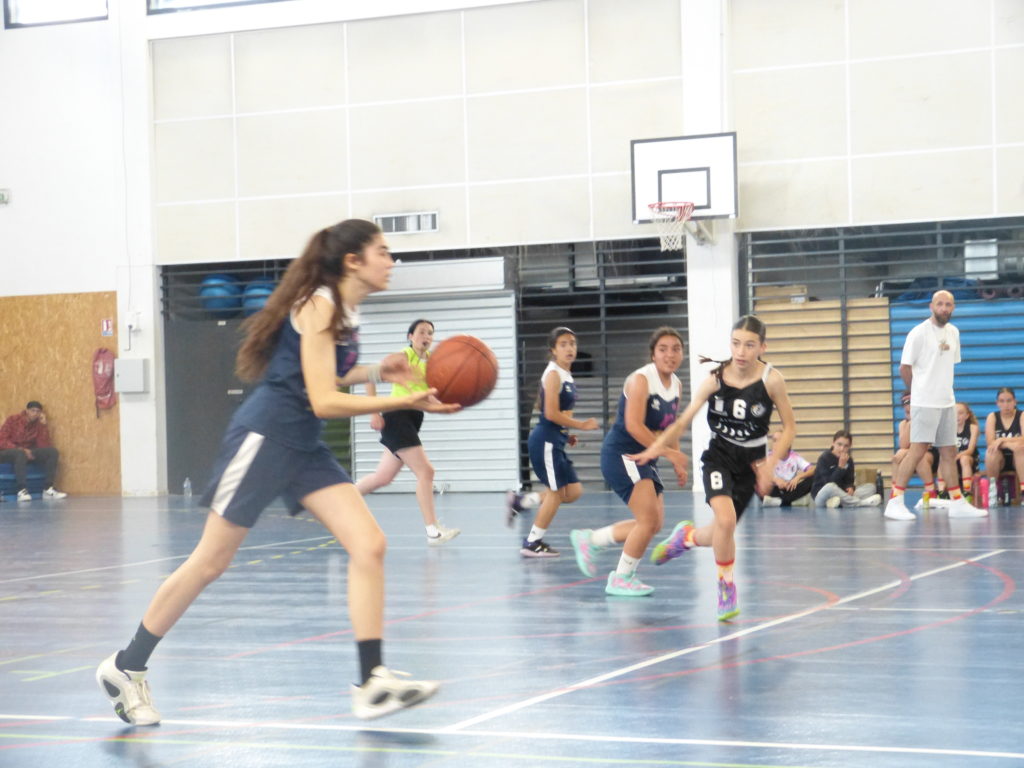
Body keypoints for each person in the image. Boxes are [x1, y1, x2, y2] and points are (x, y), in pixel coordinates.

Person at [95, 220, 459, 726]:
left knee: (369, 544)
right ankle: (125, 666)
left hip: (303, 445)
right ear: (353, 260)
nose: (390, 261)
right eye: (382, 251)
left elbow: (325, 373)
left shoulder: (343, 311)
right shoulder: (320, 304)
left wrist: (379, 371)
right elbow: (324, 398)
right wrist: (402, 399)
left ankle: (372, 681)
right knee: (210, 562)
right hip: (265, 438)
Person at [631, 315, 797, 621]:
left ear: (762, 347)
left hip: (751, 462)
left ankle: (686, 538)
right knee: (726, 519)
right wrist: (656, 447)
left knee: (723, 529)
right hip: (719, 456)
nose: (741, 351)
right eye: (736, 343)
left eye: (749, 345)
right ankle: (726, 589)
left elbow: (789, 428)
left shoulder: (772, 380)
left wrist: (771, 464)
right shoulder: (715, 379)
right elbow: (683, 420)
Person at [569, 327, 687, 595]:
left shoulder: (676, 385)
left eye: (676, 349)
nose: (670, 354)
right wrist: (669, 453)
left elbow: (670, 428)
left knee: (653, 523)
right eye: (663, 349)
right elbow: (634, 426)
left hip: (645, 456)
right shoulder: (640, 380)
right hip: (622, 454)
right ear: (653, 354)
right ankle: (621, 577)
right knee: (647, 521)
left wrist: (676, 459)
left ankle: (592, 539)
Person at [356, 319, 460, 545]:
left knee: (382, 477)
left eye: (430, 333)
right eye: (421, 332)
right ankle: (433, 531)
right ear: (410, 336)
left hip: (413, 419)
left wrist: (447, 406)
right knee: (426, 472)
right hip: (397, 416)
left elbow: (428, 397)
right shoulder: (402, 358)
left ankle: (343, 499)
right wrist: (374, 412)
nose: (427, 336)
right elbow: (368, 376)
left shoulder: (433, 363)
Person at [884, 291, 985, 519]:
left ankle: (957, 502)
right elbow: (904, 367)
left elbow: (946, 365)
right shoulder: (918, 333)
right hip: (924, 403)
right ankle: (895, 501)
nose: (944, 308)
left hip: (947, 403)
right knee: (917, 451)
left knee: (949, 452)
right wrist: (916, 393)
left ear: (953, 307)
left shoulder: (954, 332)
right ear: (931, 306)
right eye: (940, 304)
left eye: (948, 304)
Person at [511, 327, 599, 557]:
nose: (570, 348)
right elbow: (550, 413)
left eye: (572, 343)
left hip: (555, 438)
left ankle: (523, 501)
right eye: (563, 344)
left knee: (573, 491)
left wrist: (566, 433)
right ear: (553, 350)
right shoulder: (553, 374)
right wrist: (581, 425)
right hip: (545, 440)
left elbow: (559, 412)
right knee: (556, 492)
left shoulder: (565, 374)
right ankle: (532, 542)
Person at [0, 401, 67, 501]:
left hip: (27, 452)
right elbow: (2, 440)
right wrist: (21, 449)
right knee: (20, 453)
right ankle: (21, 490)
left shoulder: (38, 425)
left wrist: (43, 426)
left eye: (38, 411)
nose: (35, 413)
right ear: (27, 411)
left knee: (52, 452)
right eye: (33, 411)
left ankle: (48, 489)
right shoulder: (13, 420)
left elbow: (43, 445)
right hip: (7, 452)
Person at [811, 430, 882, 508]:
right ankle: (861, 503)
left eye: (846, 446)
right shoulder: (824, 458)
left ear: (849, 446)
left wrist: (850, 487)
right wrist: (840, 467)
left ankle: (840, 502)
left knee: (871, 487)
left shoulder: (849, 460)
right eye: (839, 444)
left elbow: (849, 480)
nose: (842, 449)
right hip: (823, 496)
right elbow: (829, 482)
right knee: (830, 487)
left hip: (841, 494)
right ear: (833, 443)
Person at [891, 390, 939, 504]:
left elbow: (927, 445)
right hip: (911, 454)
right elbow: (903, 445)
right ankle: (895, 492)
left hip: (930, 455)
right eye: (905, 404)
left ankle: (931, 490)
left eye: (910, 403)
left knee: (918, 457)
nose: (907, 407)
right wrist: (911, 423)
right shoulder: (903, 424)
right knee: (897, 457)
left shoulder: (927, 420)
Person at [983, 387, 1024, 506]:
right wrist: (1009, 445)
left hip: (1019, 459)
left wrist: (1001, 439)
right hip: (1000, 460)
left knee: (1020, 449)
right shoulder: (992, 417)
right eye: (1002, 401)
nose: (1006, 405)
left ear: (1015, 402)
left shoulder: (1021, 415)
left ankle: (1023, 491)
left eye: (1009, 400)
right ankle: (993, 491)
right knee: (991, 452)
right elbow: (990, 442)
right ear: (997, 403)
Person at [760, 431, 814, 507]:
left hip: (790, 488)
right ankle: (791, 502)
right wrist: (776, 480)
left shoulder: (794, 457)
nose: (775, 444)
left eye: (779, 441)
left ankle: (779, 502)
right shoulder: (768, 457)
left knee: (815, 477)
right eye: (774, 440)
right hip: (775, 489)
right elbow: (760, 474)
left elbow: (812, 469)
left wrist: (798, 477)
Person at [953, 401, 980, 500]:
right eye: (954, 413)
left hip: (970, 461)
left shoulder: (973, 428)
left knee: (964, 458)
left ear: (967, 415)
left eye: (960, 413)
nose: (957, 416)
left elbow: (970, 450)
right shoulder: (948, 429)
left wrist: (956, 456)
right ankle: (942, 491)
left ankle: (967, 492)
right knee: (943, 461)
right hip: (954, 461)